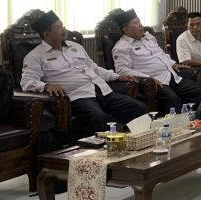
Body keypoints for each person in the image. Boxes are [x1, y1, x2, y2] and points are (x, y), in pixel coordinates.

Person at [20, 10, 148, 138]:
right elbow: (26, 82)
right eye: (59, 28)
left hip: (102, 90)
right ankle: (98, 149)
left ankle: (134, 142)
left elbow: (94, 68)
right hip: (79, 96)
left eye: (63, 25)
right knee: (97, 117)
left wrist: (117, 76)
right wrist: (46, 86)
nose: (64, 29)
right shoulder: (35, 56)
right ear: (47, 34)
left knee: (139, 108)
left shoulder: (75, 46)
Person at [112, 9, 201, 115]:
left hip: (172, 76)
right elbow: (122, 70)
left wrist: (173, 63)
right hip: (154, 83)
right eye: (136, 23)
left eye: (139, 21)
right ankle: (173, 124)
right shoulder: (122, 47)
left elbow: (161, 54)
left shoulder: (149, 38)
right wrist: (148, 78)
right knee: (173, 100)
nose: (140, 25)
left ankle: (194, 120)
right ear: (125, 29)